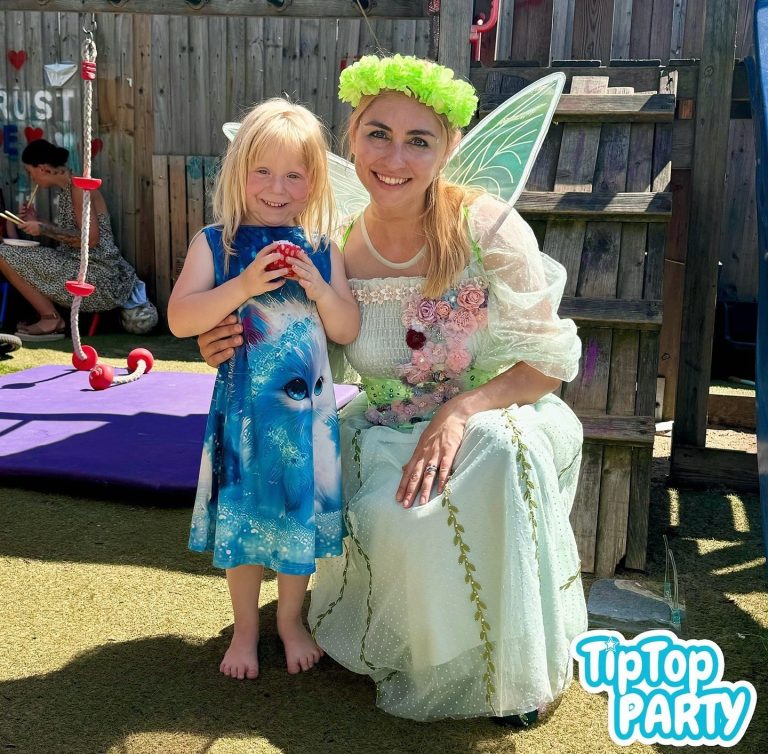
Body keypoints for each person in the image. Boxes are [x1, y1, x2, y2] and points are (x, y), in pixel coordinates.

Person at [198, 56, 587, 723]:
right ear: (350, 142)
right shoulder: (335, 247)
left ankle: (510, 672)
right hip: (386, 432)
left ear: (448, 149)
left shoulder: (488, 228)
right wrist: (221, 340)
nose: (394, 157)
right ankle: (435, 658)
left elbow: (547, 366)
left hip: (503, 413)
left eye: (419, 140)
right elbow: (294, 335)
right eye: (377, 133)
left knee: (497, 447)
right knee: (397, 520)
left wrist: (462, 411)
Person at [168, 99, 360, 680]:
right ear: (237, 173)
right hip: (244, 420)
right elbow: (181, 318)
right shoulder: (217, 242)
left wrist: (320, 288)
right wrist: (245, 283)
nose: (277, 188)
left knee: (297, 518)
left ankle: (290, 620)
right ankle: (246, 631)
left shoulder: (324, 246)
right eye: (262, 172)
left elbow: (345, 327)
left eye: (294, 176)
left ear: (313, 183)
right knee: (247, 523)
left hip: (305, 421)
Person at [0, 138, 151, 341]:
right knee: (7, 253)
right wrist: (38, 221)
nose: (31, 177)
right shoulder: (69, 189)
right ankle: (49, 317)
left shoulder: (80, 188)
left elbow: (91, 240)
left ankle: (51, 318)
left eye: (30, 171)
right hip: (81, 267)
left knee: (3, 254)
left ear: (43, 168)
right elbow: (76, 231)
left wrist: (43, 228)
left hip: (98, 277)